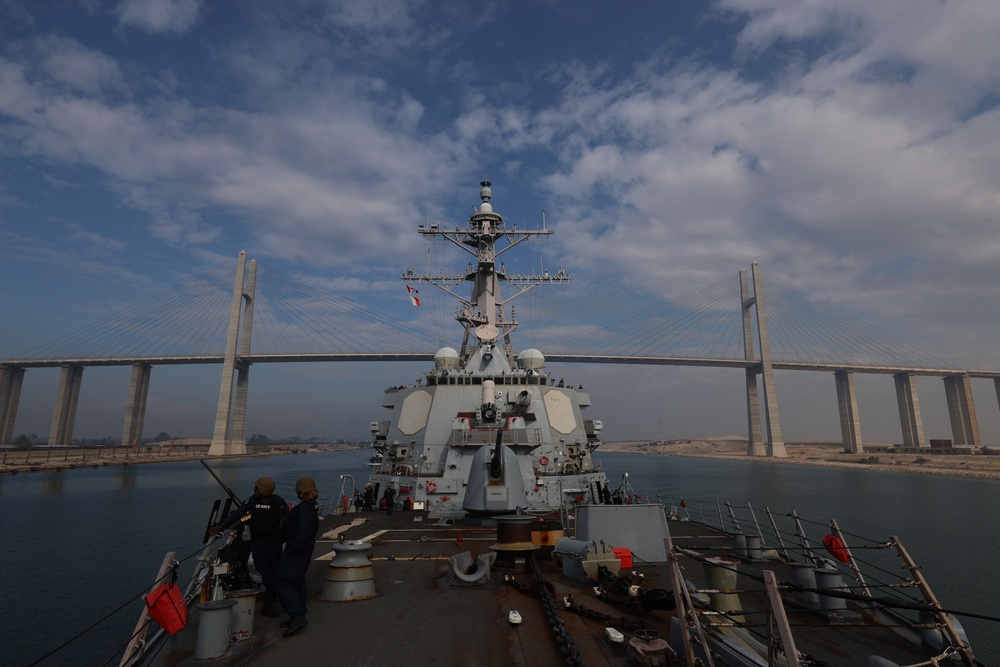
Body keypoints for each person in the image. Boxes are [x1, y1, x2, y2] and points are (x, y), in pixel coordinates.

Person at [209, 477, 287, 617]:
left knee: (275, 573)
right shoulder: (252, 500)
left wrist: (283, 538)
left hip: (273, 543)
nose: (255, 489)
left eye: (257, 487)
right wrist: (221, 525)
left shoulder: (278, 502)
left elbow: (287, 521)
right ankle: (271, 599)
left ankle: (270, 602)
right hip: (257, 543)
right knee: (265, 572)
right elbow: (238, 514)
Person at [277, 476, 320, 637]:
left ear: (299, 491)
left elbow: (301, 533)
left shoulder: (303, 510)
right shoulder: (311, 508)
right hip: (304, 549)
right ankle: (298, 613)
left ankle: (297, 616)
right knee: (298, 581)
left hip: (297, 550)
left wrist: (292, 548)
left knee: (284, 581)